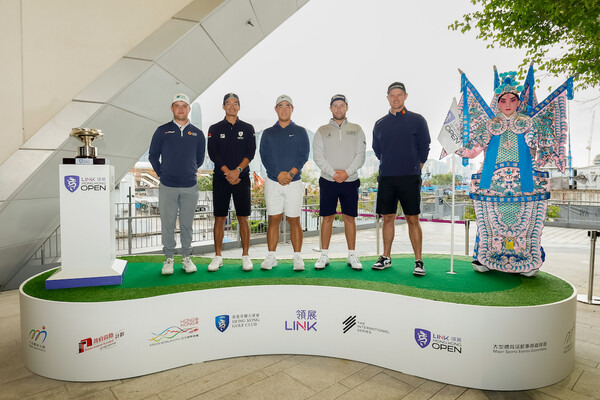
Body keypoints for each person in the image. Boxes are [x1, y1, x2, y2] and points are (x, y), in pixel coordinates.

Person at [455, 68, 571, 276]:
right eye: (503, 100)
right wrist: (455, 146)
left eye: (512, 99)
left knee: (527, 225)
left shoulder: (529, 123)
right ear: (497, 103)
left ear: (518, 102)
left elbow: (541, 150)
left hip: (524, 183)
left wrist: (540, 146)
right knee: (488, 223)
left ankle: (528, 259)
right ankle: (485, 258)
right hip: (491, 183)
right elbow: (474, 150)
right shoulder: (489, 126)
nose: (507, 104)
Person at [372, 82, 430, 276]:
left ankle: (419, 261)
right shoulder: (380, 124)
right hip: (387, 177)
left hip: (410, 177)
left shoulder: (417, 120)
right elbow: (377, 150)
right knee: (387, 218)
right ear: (387, 97)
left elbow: (425, 146)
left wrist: (417, 166)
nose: (395, 98)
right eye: (392, 95)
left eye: (399, 95)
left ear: (405, 96)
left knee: (412, 218)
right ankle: (385, 257)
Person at [149, 93, 205, 275]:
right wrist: (162, 174)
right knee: (168, 224)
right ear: (172, 108)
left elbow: (199, 159)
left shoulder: (197, 133)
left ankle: (186, 258)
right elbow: (153, 156)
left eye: (184, 105)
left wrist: (188, 171)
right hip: (168, 186)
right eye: (177, 105)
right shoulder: (162, 131)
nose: (181, 109)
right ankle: (169, 259)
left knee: (187, 224)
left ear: (188, 109)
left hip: (190, 186)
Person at [313, 94, 366, 270]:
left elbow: (360, 155)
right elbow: (318, 157)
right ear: (330, 108)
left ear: (347, 107)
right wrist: (334, 173)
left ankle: (352, 255)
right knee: (327, 218)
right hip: (328, 180)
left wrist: (346, 173)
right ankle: (324, 255)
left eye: (341, 105)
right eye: (335, 106)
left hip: (350, 181)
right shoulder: (321, 130)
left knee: (349, 218)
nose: (338, 109)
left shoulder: (357, 129)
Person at [259, 95, 310, 271]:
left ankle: (297, 257)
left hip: (294, 182)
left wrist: (290, 174)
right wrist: (277, 174)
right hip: (273, 182)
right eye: (281, 106)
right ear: (276, 109)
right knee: (273, 219)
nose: (284, 109)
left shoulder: (301, 132)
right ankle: (271, 256)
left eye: (287, 106)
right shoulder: (267, 133)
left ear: (292, 109)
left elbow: (303, 155)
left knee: (294, 220)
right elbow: (265, 157)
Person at [207, 93, 256, 272]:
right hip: (221, 178)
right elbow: (213, 154)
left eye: (235, 104)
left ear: (239, 107)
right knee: (219, 218)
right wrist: (228, 172)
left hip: (241, 178)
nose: (232, 107)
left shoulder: (248, 128)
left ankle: (245, 256)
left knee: (243, 218)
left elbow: (250, 153)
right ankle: (218, 256)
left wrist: (238, 172)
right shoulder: (214, 128)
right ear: (223, 106)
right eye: (228, 103)